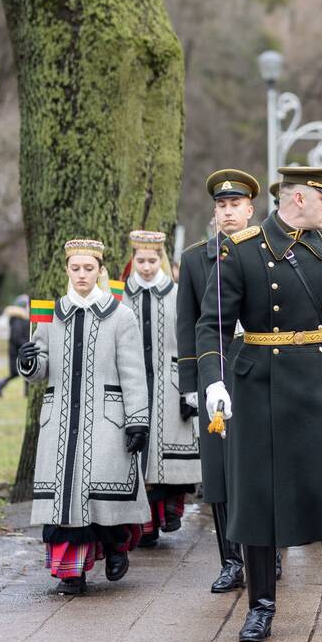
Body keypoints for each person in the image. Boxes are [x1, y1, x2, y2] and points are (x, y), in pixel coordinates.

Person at [196, 166, 322, 642]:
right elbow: (211, 326)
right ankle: (261, 605)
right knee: (255, 498)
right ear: (298, 199)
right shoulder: (242, 249)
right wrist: (214, 382)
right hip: (257, 386)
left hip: (317, 385)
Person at [18, 239, 150, 594]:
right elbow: (38, 369)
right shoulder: (51, 315)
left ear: (100, 271)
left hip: (106, 420)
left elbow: (134, 372)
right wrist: (28, 357)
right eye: (75, 268)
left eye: (88, 268)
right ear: (66, 270)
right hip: (59, 420)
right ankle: (70, 573)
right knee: (64, 497)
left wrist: (138, 419)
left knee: (101, 494)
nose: (81, 275)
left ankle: (116, 545)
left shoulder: (121, 315)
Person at [176, 169, 258, 592]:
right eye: (221, 206)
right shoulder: (194, 259)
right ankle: (230, 560)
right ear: (215, 212)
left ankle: (268, 552)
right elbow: (188, 324)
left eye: (235, 206)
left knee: (263, 464)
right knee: (221, 471)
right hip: (217, 371)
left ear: (250, 209)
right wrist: (191, 383)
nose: (228, 212)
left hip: (262, 366)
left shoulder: (270, 250)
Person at [122, 230, 200, 547]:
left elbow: (189, 337)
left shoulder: (177, 293)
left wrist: (189, 385)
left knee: (166, 457)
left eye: (152, 260)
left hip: (170, 382)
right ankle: (144, 525)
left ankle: (167, 513)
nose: (146, 267)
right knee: (140, 456)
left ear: (162, 260)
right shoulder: (123, 295)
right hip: (136, 382)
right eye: (140, 260)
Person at [0, 295, 30, 397]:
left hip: (18, 350)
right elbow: (16, 336)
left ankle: (27, 392)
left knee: (25, 371)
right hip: (17, 351)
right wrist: (26, 345)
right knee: (19, 372)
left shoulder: (18, 319)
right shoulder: (18, 319)